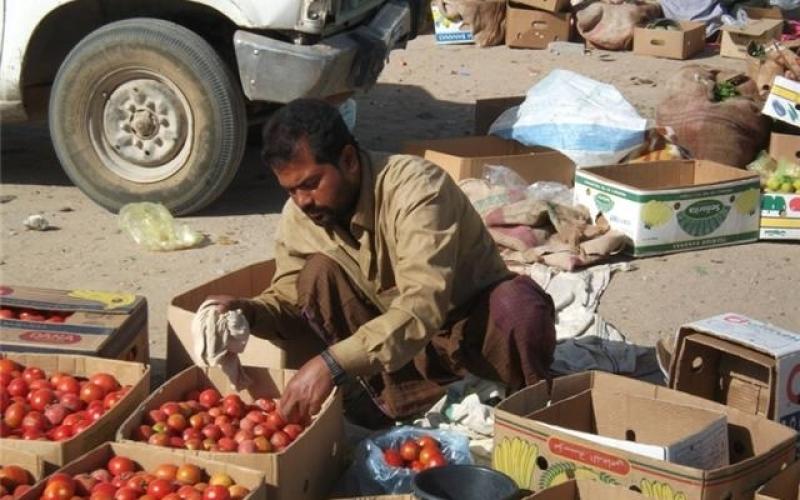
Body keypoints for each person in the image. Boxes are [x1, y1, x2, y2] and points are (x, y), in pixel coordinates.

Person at [209, 98, 556, 428]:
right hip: (400, 356)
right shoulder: (300, 216)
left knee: (519, 307)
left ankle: (528, 407)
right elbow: (288, 299)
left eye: (311, 184)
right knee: (317, 274)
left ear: (348, 159)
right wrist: (248, 312)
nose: (302, 201)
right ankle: (391, 403)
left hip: (472, 333)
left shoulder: (417, 188)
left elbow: (422, 306)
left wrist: (332, 364)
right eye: (290, 191)